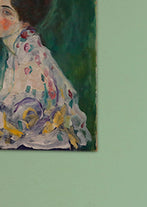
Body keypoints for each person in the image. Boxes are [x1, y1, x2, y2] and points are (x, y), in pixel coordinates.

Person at [0, 0, 90, 149]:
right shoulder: (15, 51)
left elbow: (26, 115)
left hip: (43, 145)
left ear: (25, 21)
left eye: (6, 12)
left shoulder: (33, 56)